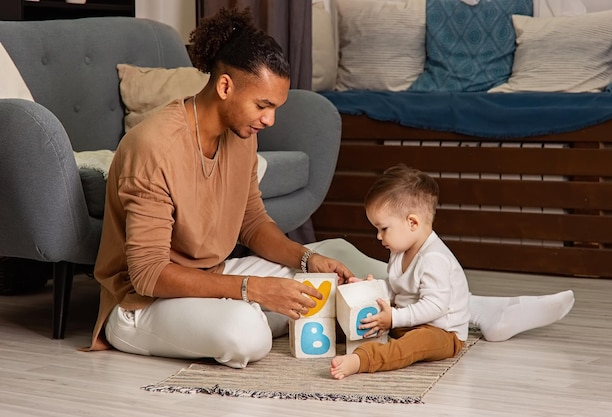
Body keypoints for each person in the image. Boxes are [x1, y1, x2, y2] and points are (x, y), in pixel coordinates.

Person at [87, 8, 574, 369]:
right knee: (247, 333)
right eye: (263, 105)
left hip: (214, 275)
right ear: (225, 87)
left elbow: (253, 224)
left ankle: (476, 312)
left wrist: (304, 261)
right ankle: (265, 313)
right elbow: (148, 274)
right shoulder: (153, 147)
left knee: (335, 256)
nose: (270, 119)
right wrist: (254, 289)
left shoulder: (240, 136)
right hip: (142, 305)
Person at [330, 164, 470, 379]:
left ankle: (362, 360)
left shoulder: (434, 258)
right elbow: (395, 286)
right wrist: (371, 289)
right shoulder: (399, 251)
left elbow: (435, 306)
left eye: (383, 228)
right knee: (365, 322)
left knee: (409, 347)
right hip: (407, 322)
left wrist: (394, 318)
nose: (378, 236)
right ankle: (328, 329)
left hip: (441, 332)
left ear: (412, 222)